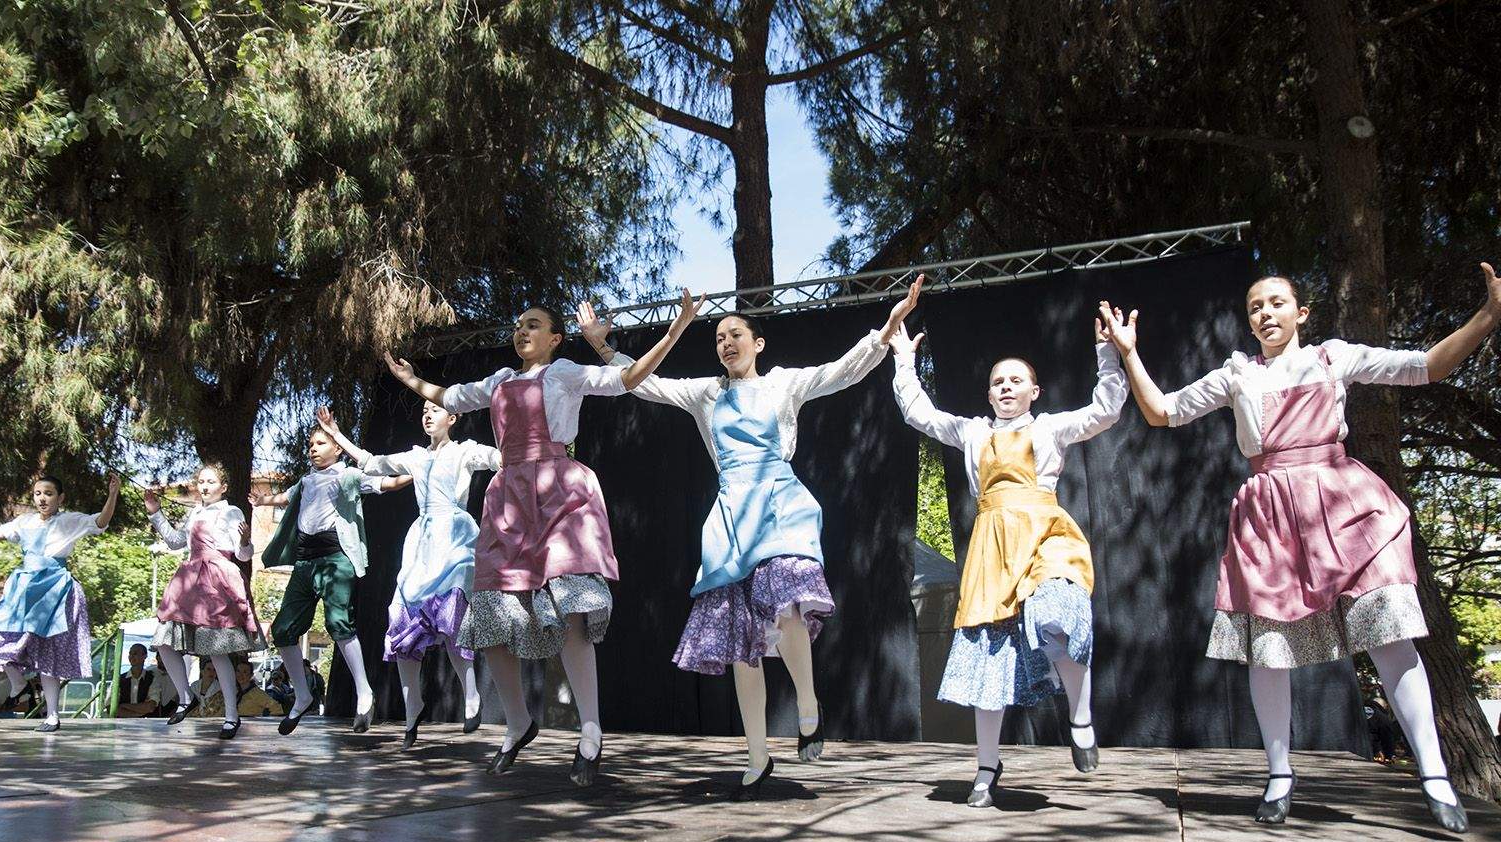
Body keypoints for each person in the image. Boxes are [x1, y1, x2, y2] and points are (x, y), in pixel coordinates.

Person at [1108, 262, 1501, 832]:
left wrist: (1488, 318)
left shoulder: (1333, 357)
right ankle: (1279, 773)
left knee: (1390, 632)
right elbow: (1161, 411)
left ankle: (1435, 773)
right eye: (1254, 309)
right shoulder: (1237, 375)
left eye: (1274, 303)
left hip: (1344, 505)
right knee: (1269, 646)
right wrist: (1129, 353)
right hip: (1270, 517)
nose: (1264, 314)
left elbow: (1426, 366)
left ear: (1301, 313)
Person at [584, 277, 923, 791]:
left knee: (788, 597)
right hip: (731, 514)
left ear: (757, 343)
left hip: (779, 502)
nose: (726, 342)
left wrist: (888, 327)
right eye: (719, 336)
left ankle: (808, 705)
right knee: (740, 639)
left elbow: (841, 371)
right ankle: (759, 753)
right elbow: (646, 383)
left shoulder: (781, 383)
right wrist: (603, 348)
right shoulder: (704, 393)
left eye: (735, 333)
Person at [382, 291, 702, 785]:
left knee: (572, 606)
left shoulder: (566, 373)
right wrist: (410, 379)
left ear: (554, 338)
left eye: (534, 325)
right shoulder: (501, 381)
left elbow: (628, 378)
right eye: (518, 325)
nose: (522, 331)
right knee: (489, 617)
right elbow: (449, 396)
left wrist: (676, 329)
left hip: (557, 491)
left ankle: (591, 728)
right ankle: (518, 723)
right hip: (508, 499)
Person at [890, 312, 1125, 808]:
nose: (1005, 387)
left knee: (1058, 618)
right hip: (991, 548)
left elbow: (1104, 410)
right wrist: (905, 361)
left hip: (1044, 534)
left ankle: (1080, 719)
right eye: (998, 381)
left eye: (1016, 380)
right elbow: (920, 414)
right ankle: (986, 768)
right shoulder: (973, 433)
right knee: (987, 661)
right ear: (989, 393)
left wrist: (1109, 354)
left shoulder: (1050, 428)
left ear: (1034, 391)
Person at [317, 402, 501, 749]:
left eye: (436, 410)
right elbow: (372, 462)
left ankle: (471, 692)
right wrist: (335, 433)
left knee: (451, 615)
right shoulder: (416, 457)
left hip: (455, 536)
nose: (428, 415)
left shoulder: (465, 452)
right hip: (422, 541)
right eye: (424, 411)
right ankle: (412, 704)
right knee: (403, 623)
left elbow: (498, 457)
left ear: (453, 418)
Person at [252, 430, 409, 736]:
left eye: (320, 443)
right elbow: (285, 497)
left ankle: (364, 693)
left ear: (338, 449)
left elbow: (385, 484)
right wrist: (262, 500)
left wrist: (416, 473)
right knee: (283, 629)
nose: (313, 448)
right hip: (305, 563)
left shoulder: (348, 475)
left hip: (336, 558)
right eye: (310, 444)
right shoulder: (307, 480)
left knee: (339, 623)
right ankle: (302, 695)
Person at [0, 473, 120, 732]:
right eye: (38, 493)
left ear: (60, 498)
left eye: (48, 493)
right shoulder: (24, 521)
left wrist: (112, 494)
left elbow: (101, 521)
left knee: (48, 652)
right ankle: (18, 683)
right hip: (24, 587)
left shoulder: (69, 520)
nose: (42, 498)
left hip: (53, 587)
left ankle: (52, 715)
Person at [147, 464, 268, 740]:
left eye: (210, 481)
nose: (204, 486)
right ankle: (185, 696)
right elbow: (177, 542)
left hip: (216, 580)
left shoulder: (230, 511)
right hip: (189, 580)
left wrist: (247, 540)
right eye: (201, 481)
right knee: (164, 640)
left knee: (217, 650)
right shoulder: (196, 512)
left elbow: (244, 555)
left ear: (223, 487)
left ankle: (231, 716)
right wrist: (156, 512)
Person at [115, 642, 156, 717]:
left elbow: (150, 707)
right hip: (123, 724)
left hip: (146, 724)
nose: (131, 656)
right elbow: (111, 707)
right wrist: (139, 712)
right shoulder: (119, 679)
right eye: (130, 653)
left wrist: (123, 706)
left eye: (135, 653)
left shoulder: (152, 678)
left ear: (145, 656)